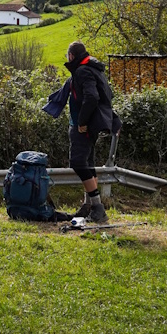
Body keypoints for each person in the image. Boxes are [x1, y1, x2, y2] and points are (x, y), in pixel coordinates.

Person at [64, 40, 120, 224]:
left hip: (84, 126)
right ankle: (88, 206)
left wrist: (82, 121)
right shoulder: (93, 68)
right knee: (88, 163)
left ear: (71, 56)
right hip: (94, 123)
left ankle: (97, 207)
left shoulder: (82, 71)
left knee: (78, 163)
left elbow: (92, 97)